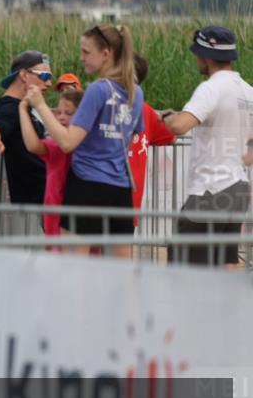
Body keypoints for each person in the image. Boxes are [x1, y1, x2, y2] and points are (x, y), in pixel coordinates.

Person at [27, 24, 144, 258]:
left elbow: (68, 142)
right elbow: (132, 135)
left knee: (73, 271)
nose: (81, 58)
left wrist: (40, 106)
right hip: (120, 189)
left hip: (87, 185)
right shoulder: (135, 92)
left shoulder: (98, 89)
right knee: (122, 274)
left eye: (86, 52)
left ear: (106, 53)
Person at [160, 25, 253, 266]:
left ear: (207, 56)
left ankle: (190, 305)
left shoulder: (211, 88)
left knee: (184, 264)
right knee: (227, 260)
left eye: (198, 54)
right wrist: (238, 159)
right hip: (238, 187)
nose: (196, 60)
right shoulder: (247, 91)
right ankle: (229, 305)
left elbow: (180, 126)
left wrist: (167, 117)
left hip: (210, 190)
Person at [0, 50, 53, 205]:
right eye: (44, 76)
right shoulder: (8, 107)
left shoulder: (23, 107)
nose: (49, 83)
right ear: (23, 75)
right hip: (39, 199)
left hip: (45, 197)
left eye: (50, 77)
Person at [19, 83, 83, 246]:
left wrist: (26, 109)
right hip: (56, 213)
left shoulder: (68, 145)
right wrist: (23, 110)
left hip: (65, 214)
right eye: (58, 112)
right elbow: (33, 145)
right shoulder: (57, 145)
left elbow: (33, 146)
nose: (61, 117)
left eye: (68, 113)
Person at [127, 55, 177, 226]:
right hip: (119, 198)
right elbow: (172, 134)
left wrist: (165, 117)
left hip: (121, 198)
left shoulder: (145, 111)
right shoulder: (145, 110)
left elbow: (172, 134)